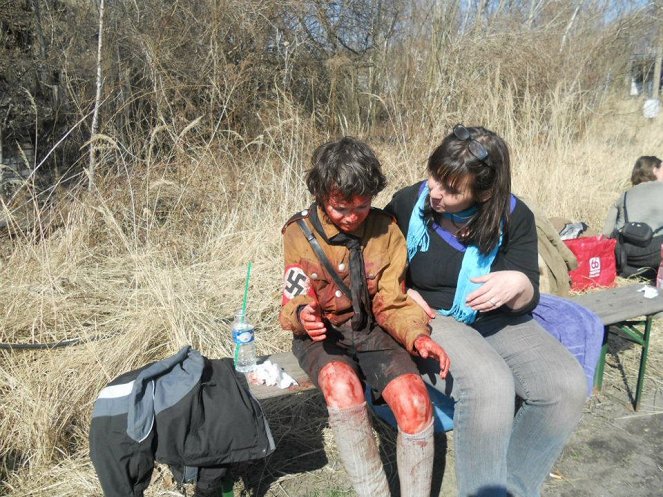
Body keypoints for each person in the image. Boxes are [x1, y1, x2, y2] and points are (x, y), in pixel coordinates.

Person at [384, 124, 587, 497]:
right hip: (434, 317)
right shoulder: (406, 202)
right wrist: (403, 290)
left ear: (485, 193)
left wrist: (519, 285)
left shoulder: (514, 217)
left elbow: (528, 293)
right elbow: (375, 261)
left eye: (452, 190)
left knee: (566, 385)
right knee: (490, 386)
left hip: (498, 320)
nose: (435, 193)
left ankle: (510, 489)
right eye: (434, 177)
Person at [278, 136, 450, 497]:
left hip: (372, 329)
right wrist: (302, 316)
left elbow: (392, 300)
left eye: (362, 206)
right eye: (342, 208)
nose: (353, 217)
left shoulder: (385, 229)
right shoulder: (298, 233)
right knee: (343, 387)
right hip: (324, 336)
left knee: (415, 402)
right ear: (322, 195)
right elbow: (293, 300)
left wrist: (418, 336)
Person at [603, 156, 663, 280]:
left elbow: (606, 233)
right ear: (655, 170)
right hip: (655, 254)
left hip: (627, 257)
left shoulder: (624, 196)